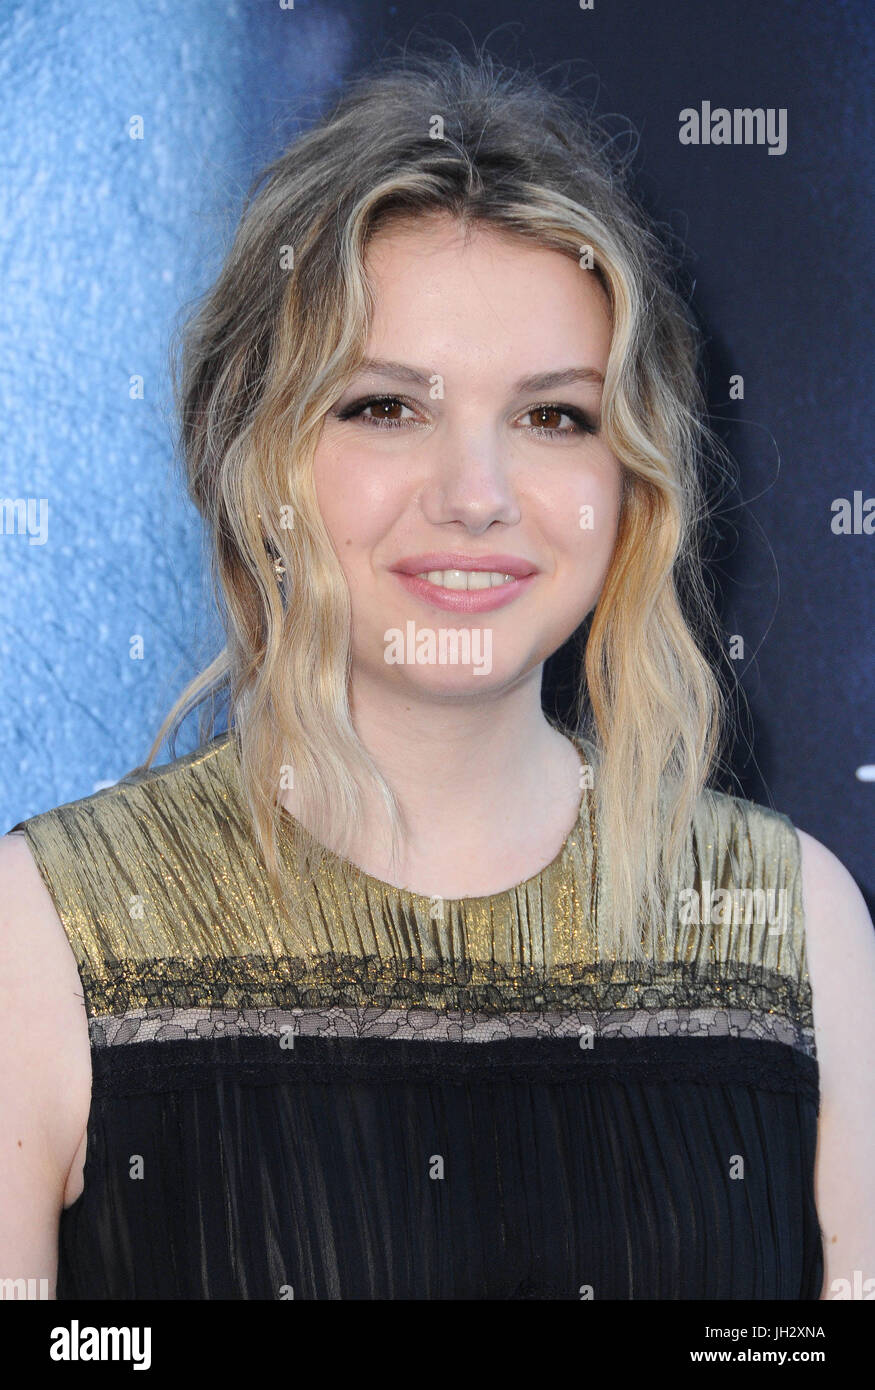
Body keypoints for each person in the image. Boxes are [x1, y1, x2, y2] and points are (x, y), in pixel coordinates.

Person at [1, 49, 873, 1301]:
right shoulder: (41, 942)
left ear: (630, 485)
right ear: (258, 456)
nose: (475, 496)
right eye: (384, 407)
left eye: (553, 415)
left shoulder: (793, 927)